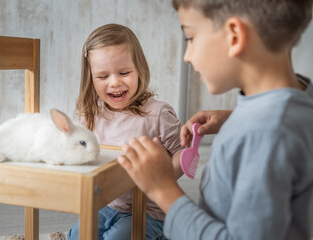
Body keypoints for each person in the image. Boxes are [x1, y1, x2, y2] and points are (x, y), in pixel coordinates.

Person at [117, 0, 313, 239]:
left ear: (234, 36)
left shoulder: (264, 135)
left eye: (190, 37)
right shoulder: (295, 106)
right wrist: (236, 119)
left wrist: (162, 189)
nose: (187, 56)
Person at [67, 23, 184, 240]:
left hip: (151, 210)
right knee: (76, 236)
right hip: (109, 204)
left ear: (139, 69)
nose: (115, 82)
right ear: (90, 78)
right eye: (103, 76)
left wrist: (161, 180)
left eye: (124, 72)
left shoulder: (157, 113)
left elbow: (181, 152)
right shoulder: (90, 115)